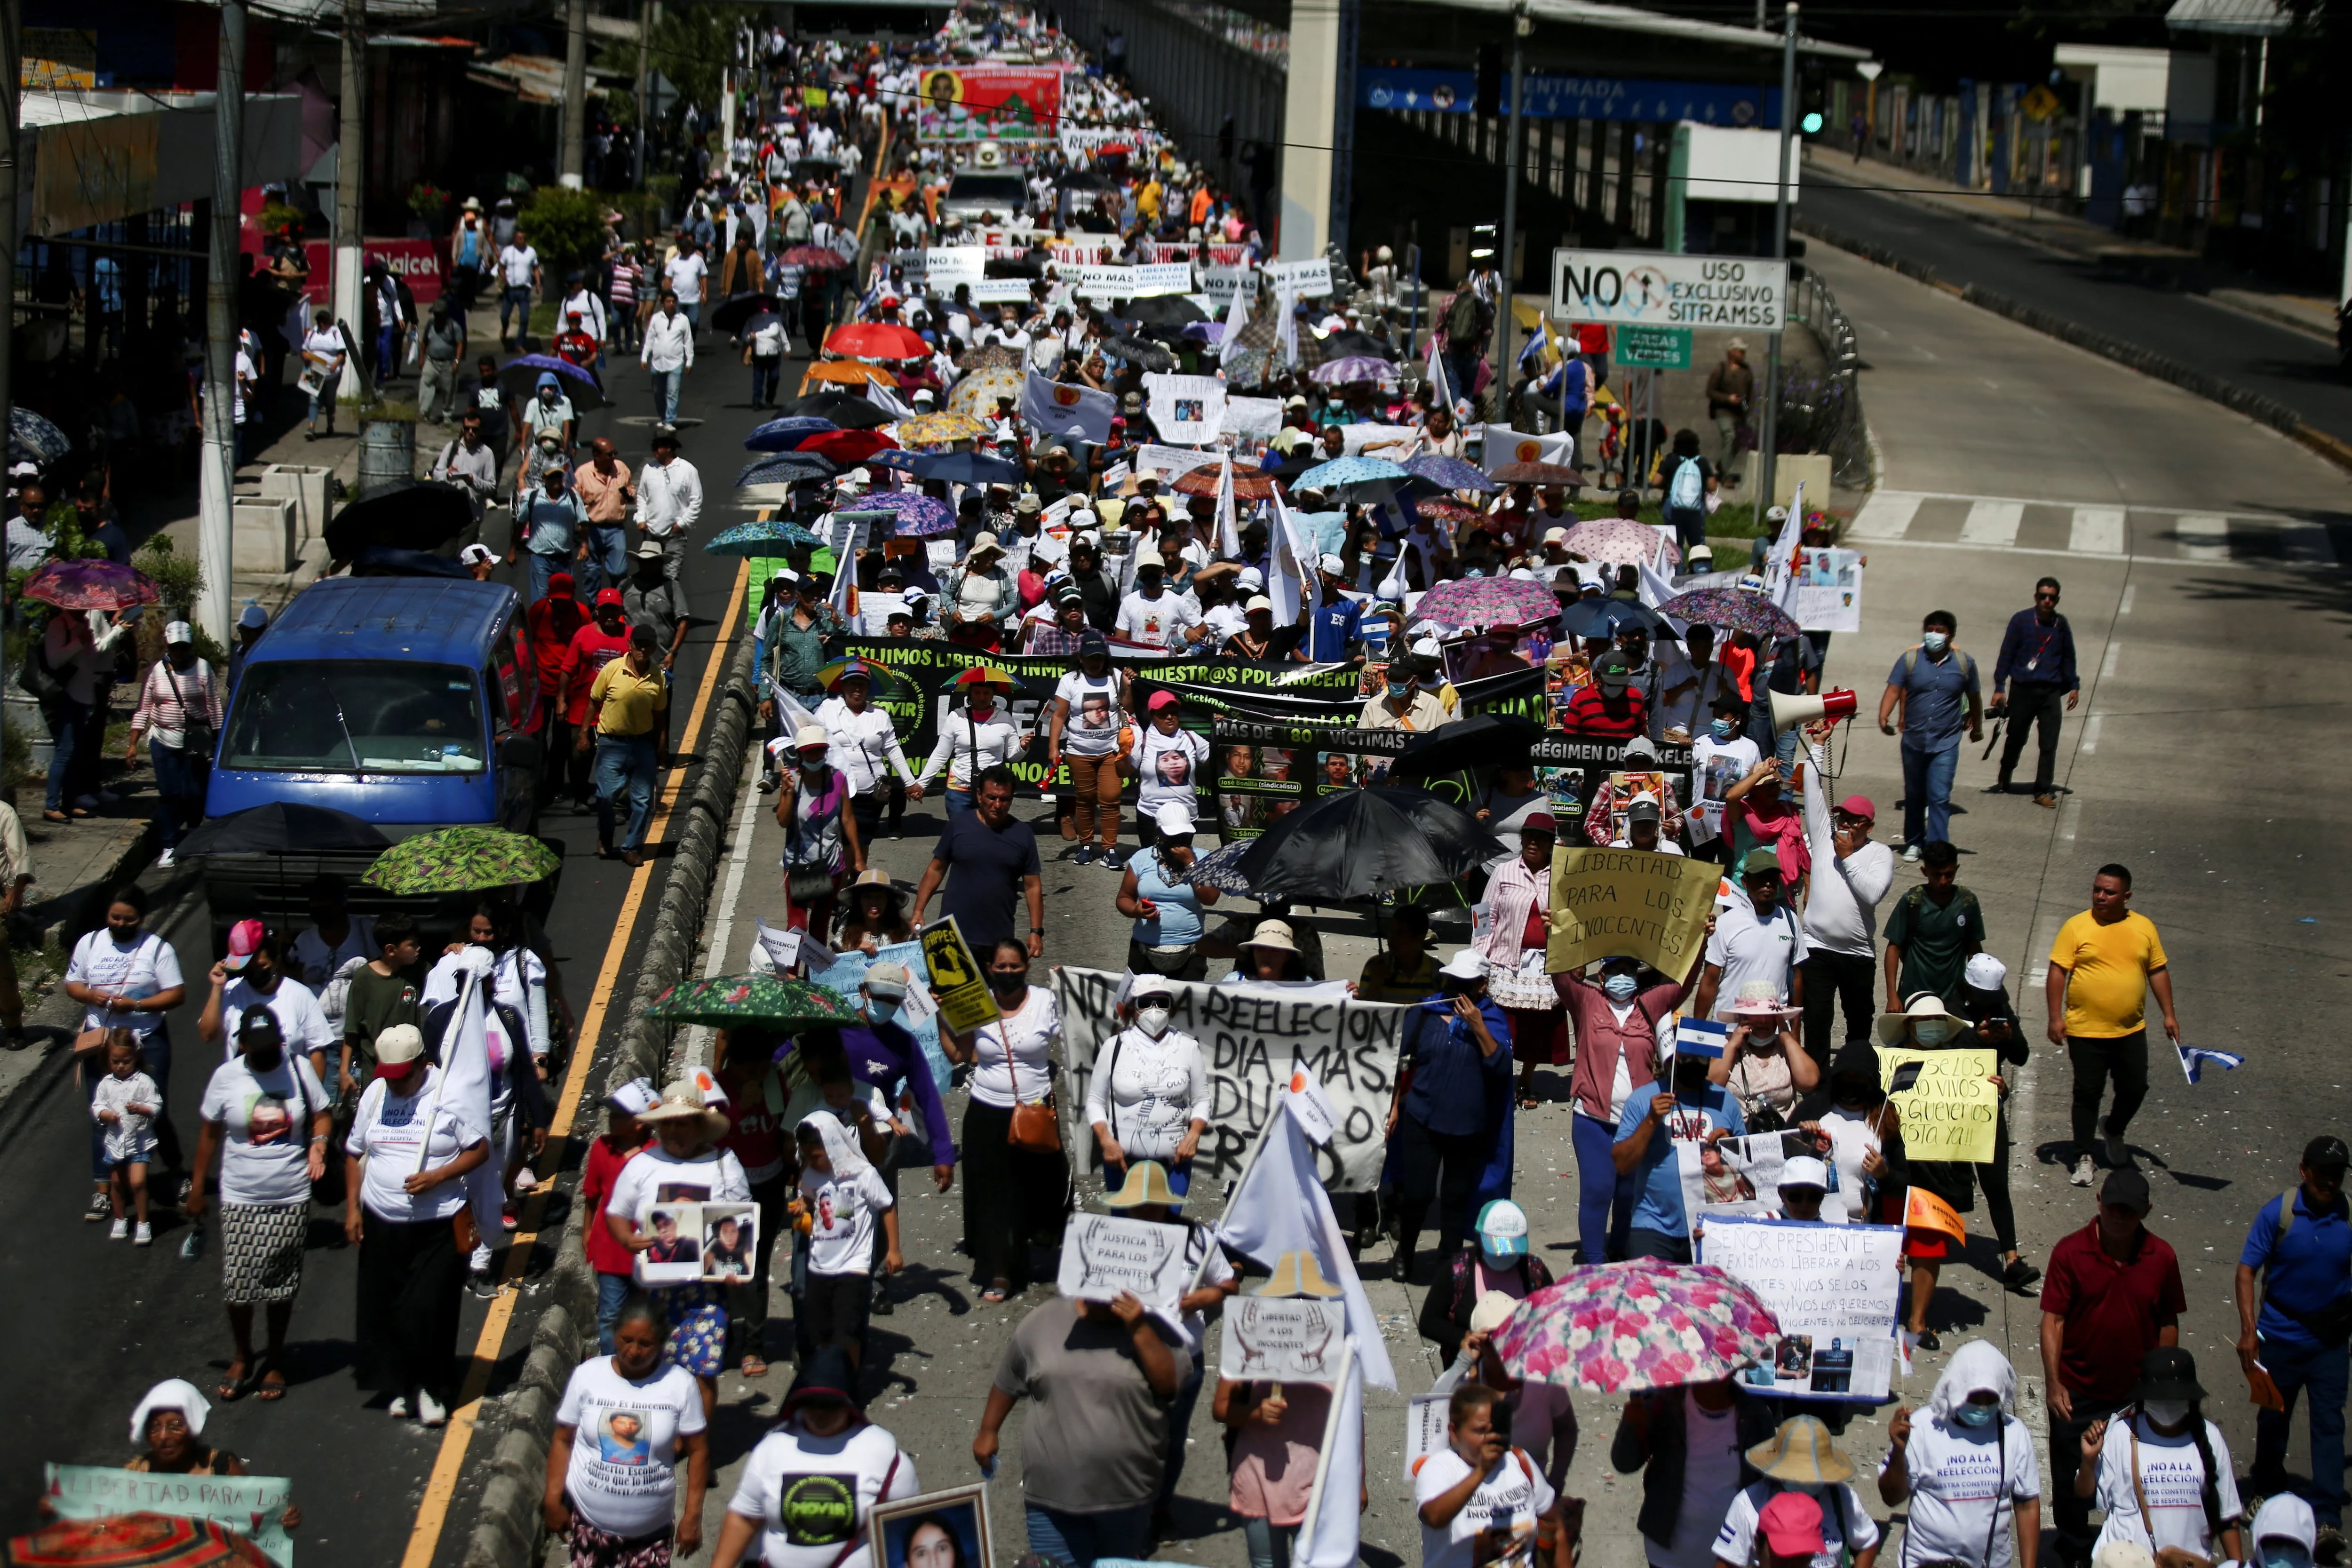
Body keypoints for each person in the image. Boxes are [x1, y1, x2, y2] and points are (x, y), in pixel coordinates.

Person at [343, 1023, 487, 1426]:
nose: (397, 1086)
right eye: (390, 1078)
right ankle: (404, 1383)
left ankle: (432, 1386)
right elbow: (355, 1152)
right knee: (387, 1308)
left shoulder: (450, 1094)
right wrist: (353, 1209)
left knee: (427, 1307)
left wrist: (438, 1177)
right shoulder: (377, 1094)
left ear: (423, 1064)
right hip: (383, 1220)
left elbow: (478, 1149)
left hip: (437, 1224)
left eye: (403, 1077)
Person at [187, 1009, 332, 1405]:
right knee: (239, 1283)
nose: (272, 1055)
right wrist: (198, 1188)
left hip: (290, 1194)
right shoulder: (227, 1077)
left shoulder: (299, 1069)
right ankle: (242, 1354)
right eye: (262, 1048)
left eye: (276, 1046)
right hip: (240, 1195)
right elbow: (209, 1133)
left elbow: (322, 1113)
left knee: (280, 1284)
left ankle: (276, 1357)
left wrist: (318, 1143)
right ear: (243, 1045)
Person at [2040, 1168, 2186, 1563]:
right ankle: (2073, 1544)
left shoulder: (2163, 1257)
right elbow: (2053, 1320)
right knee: (2071, 1477)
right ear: (2099, 1201)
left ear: (2147, 1211)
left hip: (2134, 1396)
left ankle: (2135, 1545)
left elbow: (2168, 1321)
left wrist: (2160, 1385)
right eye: (2114, 1207)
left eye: (2130, 1210)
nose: (2120, 1216)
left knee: (2137, 1473)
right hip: (2078, 1390)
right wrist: (2055, 1384)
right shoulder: (2070, 1252)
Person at [976, 1288, 1183, 1567]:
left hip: (1127, 1498)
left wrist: (1138, 1327)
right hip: (1051, 1499)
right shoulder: (1043, 1321)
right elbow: (1009, 1378)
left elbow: (1169, 1385)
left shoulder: (1156, 1326)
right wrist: (989, 1430)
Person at [606, 1082, 753, 1418]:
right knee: (654, 1370)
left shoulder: (723, 1163)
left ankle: (697, 1444)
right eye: (668, 1123)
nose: (674, 1131)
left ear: (700, 1125)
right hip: (653, 1291)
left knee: (702, 1370)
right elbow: (616, 1213)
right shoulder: (642, 1164)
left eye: (683, 1122)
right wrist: (628, 1241)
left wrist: (736, 1267)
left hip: (706, 1293)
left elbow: (742, 1221)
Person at [2237, 1136, 2352, 1535]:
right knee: (2272, 1419)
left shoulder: (2350, 1214)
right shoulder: (2280, 1213)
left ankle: (2327, 1518)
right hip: (2280, 1340)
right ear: (2304, 1171)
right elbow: (2247, 1270)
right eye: (2323, 1174)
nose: (2330, 1183)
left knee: (2329, 1426)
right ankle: (2266, 1490)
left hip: (2330, 1345)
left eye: (2337, 1176)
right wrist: (2250, 1332)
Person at [938, 938, 1065, 1303]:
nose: (1008, 973)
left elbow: (1077, 1035)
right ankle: (1001, 1270)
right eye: (1001, 967)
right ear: (990, 969)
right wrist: (942, 1016)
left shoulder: (1045, 1001)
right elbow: (959, 1053)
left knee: (1039, 1187)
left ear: (1027, 966)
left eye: (1015, 966)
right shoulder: (977, 1001)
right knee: (994, 1195)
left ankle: (1036, 1246)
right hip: (988, 1112)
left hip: (1036, 1111)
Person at [545, 1291, 711, 1568]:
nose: (634, 1351)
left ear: (661, 1344)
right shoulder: (588, 1376)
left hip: (651, 1535)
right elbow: (563, 1440)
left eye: (646, 1344)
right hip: (589, 1526)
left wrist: (693, 1515)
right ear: (615, 1334)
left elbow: (699, 1452)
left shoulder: (680, 1384)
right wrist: (553, 1500)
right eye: (627, 1340)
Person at [710, 1348, 918, 1568]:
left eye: (830, 1405)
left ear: (850, 1403)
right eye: (812, 1403)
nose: (820, 1413)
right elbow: (744, 1519)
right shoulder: (773, 1447)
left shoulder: (884, 1455)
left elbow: (910, 1532)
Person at [2048, 864, 2177, 1187]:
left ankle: (2114, 1129)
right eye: (2097, 890)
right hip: (2085, 1029)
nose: (2101, 896)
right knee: (2087, 1093)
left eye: (2109, 892)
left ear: (2127, 896)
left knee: (2135, 1088)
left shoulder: (2144, 927)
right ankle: (2083, 1155)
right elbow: (2057, 972)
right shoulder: (2076, 926)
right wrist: (2055, 1017)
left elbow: (2157, 971)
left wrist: (2169, 1014)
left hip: (2131, 1029)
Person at [1390, 950, 1514, 1280]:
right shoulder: (1428, 1009)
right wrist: (1393, 1108)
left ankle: (1449, 1261)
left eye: (1464, 983)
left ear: (1482, 987)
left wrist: (1477, 1027)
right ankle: (1405, 1251)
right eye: (1452, 980)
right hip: (1422, 1116)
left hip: (1468, 1125)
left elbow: (1500, 1066)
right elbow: (1401, 1059)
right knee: (1418, 1193)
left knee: (1457, 1196)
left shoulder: (1493, 1019)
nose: (1455, 988)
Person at [66, 884, 188, 1214]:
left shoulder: (157, 949)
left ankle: (177, 1174)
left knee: (153, 1108)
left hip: (148, 1040)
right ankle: (103, 1189)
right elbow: (73, 984)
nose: (120, 924)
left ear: (142, 918)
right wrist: (91, 996)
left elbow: (176, 994)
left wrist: (137, 1004)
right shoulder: (90, 943)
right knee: (102, 1113)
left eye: (128, 919)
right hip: (103, 1042)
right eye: (115, 918)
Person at [1878, 1341, 2042, 1568]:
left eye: (1990, 1399)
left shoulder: (2013, 1433)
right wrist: (1898, 1450)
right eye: (1975, 1398)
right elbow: (1891, 1497)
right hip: (1926, 1562)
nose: (1983, 1407)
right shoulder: (1922, 1427)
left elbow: (2027, 1505)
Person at [2074, 1347, 2243, 1568]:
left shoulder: (2210, 1436)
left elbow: (2228, 1517)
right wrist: (2089, 1461)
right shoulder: (2121, 1434)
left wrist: (2238, 1564)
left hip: (2187, 1563)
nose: (2168, 1404)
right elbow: (2085, 1496)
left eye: (2175, 1398)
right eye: (2160, 1398)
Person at [1613, 1370, 1772, 1568]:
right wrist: (1632, 1425)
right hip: (1667, 1556)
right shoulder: (1663, 1404)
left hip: (1730, 1559)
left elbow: (1767, 1486)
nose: (1712, 1377)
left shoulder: (1756, 1414)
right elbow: (1624, 1463)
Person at [1613, 1031, 1748, 1264]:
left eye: (1701, 1060)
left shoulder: (1725, 1101)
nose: (1694, 1065)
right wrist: (1651, 1121)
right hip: (1654, 1226)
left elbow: (1748, 1168)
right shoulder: (1643, 1099)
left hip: (1711, 1226)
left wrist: (1728, 1146)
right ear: (1672, 1060)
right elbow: (1622, 1164)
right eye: (1687, 1059)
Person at [1798, 750, 1891, 1067]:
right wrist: (1819, 744)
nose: (1846, 824)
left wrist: (1849, 857)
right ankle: (1818, 1089)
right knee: (1817, 1022)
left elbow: (1874, 893)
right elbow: (1811, 782)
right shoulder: (1824, 839)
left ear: (1870, 825)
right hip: (1818, 948)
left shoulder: (1880, 853)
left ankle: (1856, 1078)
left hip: (1858, 954)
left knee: (1859, 1025)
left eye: (1854, 820)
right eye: (1842, 818)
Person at [790, 1110, 901, 1367]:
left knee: (848, 1333)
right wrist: (801, 1206)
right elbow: (808, 1201)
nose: (813, 1162)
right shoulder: (810, 1175)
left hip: (854, 1267)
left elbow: (887, 1207)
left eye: (816, 1156)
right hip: (819, 1266)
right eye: (807, 1157)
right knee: (822, 1331)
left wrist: (893, 1250)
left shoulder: (863, 1174)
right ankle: (825, 1379)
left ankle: (847, 1384)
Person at [1085, 975, 1208, 1192]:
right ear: (1133, 1008)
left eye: (1162, 1002)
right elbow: (1095, 1100)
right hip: (1122, 1163)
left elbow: (1201, 1100)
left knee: (1170, 1226)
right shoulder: (1114, 1047)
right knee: (1123, 1226)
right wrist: (1106, 1141)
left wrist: (1193, 1136)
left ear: (1171, 1008)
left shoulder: (1189, 1047)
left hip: (1174, 1166)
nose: (1155, 1009)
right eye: (1145, 1002)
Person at [1478, 812, 1567, 1108]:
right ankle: (1498, 1080)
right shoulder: (1504, 872)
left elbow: (1574, 918)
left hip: (1545, 965)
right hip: (1506, 961)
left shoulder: (1562, 875)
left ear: (1551, 843)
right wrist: (1480, 958)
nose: (1533, 842)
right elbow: (1483, 914)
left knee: (1536, 1029)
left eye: (1541, 838)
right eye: (1528, 836)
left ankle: (1526, 1082)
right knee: (1503, 1026)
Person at [1877, 611, 1982, 860]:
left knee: (1939, 797)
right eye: (1930, 629)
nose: (1934, 635)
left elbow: (1975, 698)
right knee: (1914, 794)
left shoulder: (1964, 663)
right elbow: (1894, 690)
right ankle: (1914, 842)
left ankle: (1936, 847)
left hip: (1946, 742)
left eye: (1941, 631)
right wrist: (1884, 717)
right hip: (1914, 740)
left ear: (1951, 635)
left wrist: (1977, 727)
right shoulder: (1910, 660)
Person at [1713, 1416, 1882, 1568]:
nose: (1805, 1481)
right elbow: (1727, 1562)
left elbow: (1868, 1542)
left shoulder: (1842, 1499)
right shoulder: (1748, 1504)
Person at [910, 769, 1044, 959]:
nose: (998, 805)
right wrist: (918, 911)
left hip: (998, 939)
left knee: (997, 990)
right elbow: (936, 869)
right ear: (979, 795)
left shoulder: (1023, 834)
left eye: (1004, 799)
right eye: (992, 797)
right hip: (952, 935)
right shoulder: (959, 825)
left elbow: (1033, 886)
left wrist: (1036, 931)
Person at [126, 621, 223, 869]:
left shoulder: (203, 669)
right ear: (168, 645)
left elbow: (214, 707)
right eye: (176, 648)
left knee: (193, 793)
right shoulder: (157, 672)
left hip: (195, 743)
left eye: (184, 648)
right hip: (163, 741)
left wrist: (219, 739)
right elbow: (144, 708)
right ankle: (169, 844)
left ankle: (193, 834)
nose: (180, 653)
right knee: (169, 795)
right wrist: (133, 744)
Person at [199, 920, 336, 1079]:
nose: (255, 973)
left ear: (276, 961)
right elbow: (208, 1035)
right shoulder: (232, 992)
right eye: (248, 968)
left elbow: (317, 1051)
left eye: (261, 966)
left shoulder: (301, 996)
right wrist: (217, 988)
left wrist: (311, 1098)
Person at [581, 1081, 656, 1354]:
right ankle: (610, 1366)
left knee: (645, 1316)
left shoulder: (656, 1153)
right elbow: (591, 1195)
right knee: (611, 1316)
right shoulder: (602, 1147)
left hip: (647, 1251)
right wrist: (587, 1231)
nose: (611, 1120)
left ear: (639, 1123)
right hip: (609, 1250)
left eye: (618, 1115)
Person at [586, 625, 670, 866]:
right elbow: (594, 701)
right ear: (630, 645)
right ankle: (606, 834)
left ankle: (631, 847)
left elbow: (659, 715)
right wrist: (584, 734)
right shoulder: (612, 670)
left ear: (654, 648)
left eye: (648, 645)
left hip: (642, 745)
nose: (643, 649)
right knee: (605, 797)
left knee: (643, 801)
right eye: (639, 644)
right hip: (611, 743)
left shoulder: (658, 676)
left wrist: (661, 744)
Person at [1692, 849, 1808, 1023]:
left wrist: (1795, 1029)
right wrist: (1698, 1029)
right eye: (1761, 878)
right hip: (1730, 1029)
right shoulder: (1725, 924)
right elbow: (1710, 980)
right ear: (1745, 882)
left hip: (1774, 1030)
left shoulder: (1790, 921)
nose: (1768, 884)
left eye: (1773, 879)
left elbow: (1797, 976)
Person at [1992, 577, 2079, 807]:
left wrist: (2074, 686)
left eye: (2052, 597)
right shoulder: (2021, 621)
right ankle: (2006, 770)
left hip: (2051, 692)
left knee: (2049, 743)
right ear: (2036, 597)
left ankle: (2043, 790)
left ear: (2057, 600)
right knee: (2017, 736)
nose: (2047, 601)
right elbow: (2007, 654)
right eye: (2043, 596)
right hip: (2023, 689)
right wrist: (2000, 687)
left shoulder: (2061, 625)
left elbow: (2069, 657)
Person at [1049, 629, 1129, 867]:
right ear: (1081, 658)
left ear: (1106, 657)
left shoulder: (1116, 676)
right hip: (1079, 752)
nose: (1095, 663)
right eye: (1090, 658)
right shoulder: (1069, 680)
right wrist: (1054, 747)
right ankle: (1086, 844)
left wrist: (1128, 687)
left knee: (1111, 798)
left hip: (1110, 751)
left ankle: (1110, 848)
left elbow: (1129, 708)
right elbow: (1058, 714)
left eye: (1099, 657)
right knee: (1084, 799)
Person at [816, 665, 919, 848]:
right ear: (843, 686)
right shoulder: (827, 710)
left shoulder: (879, 715)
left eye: (863, 685)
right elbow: (814, 742)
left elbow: (893, 749)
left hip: (870, 795)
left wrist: (910, 782)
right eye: (853, 684)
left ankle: (857, 875)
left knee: (862, 843)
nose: (858, 689)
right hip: (835, 791)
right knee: (840, 843)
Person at [778, 722, 865, 939]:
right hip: (797, 863)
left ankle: (813, 974)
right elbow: (783, 820)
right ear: (800, 754)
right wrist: (788, 793)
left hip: (830, 864)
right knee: (797, 925)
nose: (816, 756)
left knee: (820, 923)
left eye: (820, 750)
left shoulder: (838, 778)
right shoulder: (791, 779)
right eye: (810, 752)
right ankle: (791, 973)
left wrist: (858, 858)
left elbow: (848, 818)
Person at [1118, 803, 1217, 981]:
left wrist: (1191, 865)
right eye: (1174, 835)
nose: (1180, 839)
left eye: (1185, 835)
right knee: (1143, 1005)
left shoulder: (1203, 858)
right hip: (1145, 949)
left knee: (1186, 1007)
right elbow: (1124, 897)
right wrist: (1135, 911)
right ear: (1159, 831)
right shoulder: (1142, 859)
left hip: (1190, 949)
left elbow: (1210, 898)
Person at [91, 1030, 161, 1243]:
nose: (121, 1066)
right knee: (118, 1182)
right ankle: (121, 1219)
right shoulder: (106, 1084)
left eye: (126, 1061)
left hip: (139, 1141)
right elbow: (97, 1106)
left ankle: (142, 1222)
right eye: (116, 1062)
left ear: (136, 1058)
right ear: (108, 1060)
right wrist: (106, 1115)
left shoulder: (144, 1082)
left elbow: (156, 1105)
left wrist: (142, 1109)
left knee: (138, 1182)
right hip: (116, 1142)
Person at [635, 430, 701, 621]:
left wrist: (682, 524)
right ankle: (653, 611)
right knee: (651, 576)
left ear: (670, 448)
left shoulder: (687, 470)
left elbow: (696, 500)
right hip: (652, 534)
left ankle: (675, 614)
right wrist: (641, 519)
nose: (655, 450)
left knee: (672, 577)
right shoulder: (649, 469)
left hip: (674, 535)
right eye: (654, 446)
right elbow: (642, 496)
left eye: (659, 446)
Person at [641, 291, 694, 426]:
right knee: (658, 393)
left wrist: (689, 360)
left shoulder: (683, 320)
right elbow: (650, 339)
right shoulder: (656, 319)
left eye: (673, 301)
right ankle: (663, 417)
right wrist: (644, 357)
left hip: (675, 363)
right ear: (663, 303)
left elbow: (688, 341)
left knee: (672, 393)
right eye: (668, 301)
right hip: (658, 363)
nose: (671, 304)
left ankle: (670, 420)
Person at [1705, 341, 1753, 476]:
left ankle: (1722, 464)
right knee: (1730, 435)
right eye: (1740, 351)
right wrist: (1728, 398)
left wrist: (1748, 410)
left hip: (1739, 413)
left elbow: (1750, 394)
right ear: (1731, 352)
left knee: (1738, 441)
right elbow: (1710, 391)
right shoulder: (1721, 369)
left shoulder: (1746, 371)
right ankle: (1727, 474)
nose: (1743, 354)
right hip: (1723, 411)